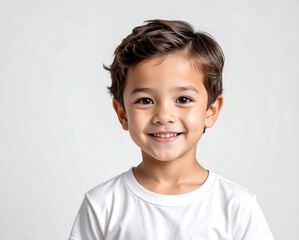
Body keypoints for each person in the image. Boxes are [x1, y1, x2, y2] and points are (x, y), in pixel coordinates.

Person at [68, 19, 274, 240]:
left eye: (183, 99)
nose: (164, 116)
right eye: (145, 100)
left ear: (211, 111)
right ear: (122, 114)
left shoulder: (237, 207)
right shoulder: (102, 205)